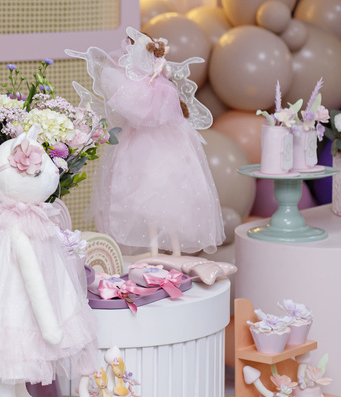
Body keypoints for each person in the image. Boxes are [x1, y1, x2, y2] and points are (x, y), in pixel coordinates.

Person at [69, 27, 226, 260]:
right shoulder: (133, 81)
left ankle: (174, 251)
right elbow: (135, 111)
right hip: (142, 144)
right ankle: (155, 251)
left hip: (165, 144)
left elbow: (154, 111)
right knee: (145, 196)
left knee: (170, 194)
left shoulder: (160, 80)